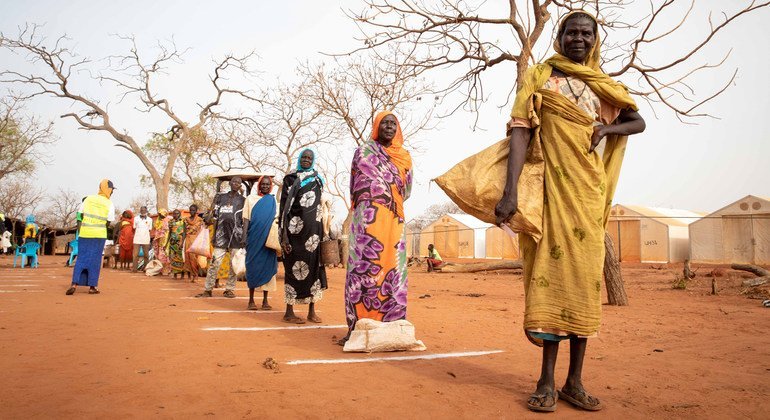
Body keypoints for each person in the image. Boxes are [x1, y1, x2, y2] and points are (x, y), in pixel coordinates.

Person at [494, 12, 646, 412]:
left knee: (582, 284)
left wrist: (607, 129)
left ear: (595, 39)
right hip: (551, 196)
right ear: (559, 37)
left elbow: (638, 120)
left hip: (588, 198)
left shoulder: (605, 86)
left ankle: (574, 382)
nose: (578, 39)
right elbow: (521, 129)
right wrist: (510, 193)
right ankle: (546, 380)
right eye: (571, 32)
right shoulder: (541, 77)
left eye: (586, 33)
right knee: (550, 278)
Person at [342, 111, 412, 343]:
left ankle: (391, 327)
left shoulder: (404, 157)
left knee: (393, 269)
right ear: (376, 127)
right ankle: (356, 328)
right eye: (385, 123)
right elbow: (354, 186)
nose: (390, 127)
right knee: (364, 270)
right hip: (367, 223)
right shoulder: (362, 153)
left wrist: (388, 199)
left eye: (393, 124)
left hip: (393, 221)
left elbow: (407, 189)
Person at [279, 149, 327, 323]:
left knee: (314, 270)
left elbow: (321, 207)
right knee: (292, 270)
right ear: (299, 159)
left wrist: (324, 231)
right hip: (293, 233)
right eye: (304, 157)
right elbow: (284, 209)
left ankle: (311, 311)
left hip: (313, 234)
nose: (306, 160)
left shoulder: (318, 180)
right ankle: (289, 312)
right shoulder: (290, 179)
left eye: (310, 158)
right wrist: (284, 235)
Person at [196, 176, 246, 298]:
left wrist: (244, 237)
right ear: (230, 183)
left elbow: (245, 218)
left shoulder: (243, 200)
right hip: (221, 235)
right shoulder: (220, 197)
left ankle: (229, 289)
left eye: (238, 183)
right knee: (214, 263)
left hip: (236, 235)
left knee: (233, 265)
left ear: (240, 186)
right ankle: (208, 289)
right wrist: (211, 208)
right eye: (234, 182)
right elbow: (212, 216)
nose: (236, 184)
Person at [66, 179, 116, 295]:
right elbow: (108, 222)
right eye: (112, 190)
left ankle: (74, 284)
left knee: (81, 259)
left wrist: (81, 230)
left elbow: (79, 216)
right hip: (99, 235)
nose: (112, 192)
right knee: (95, 261)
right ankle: (92, 287)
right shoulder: (109, 203)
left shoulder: (88, 199)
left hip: (85, 233)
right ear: (107, 189)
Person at [243, 176, 278, 310]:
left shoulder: (273, 200)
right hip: (253, 238)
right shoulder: (250, 199)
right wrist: (244, 236)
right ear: (258, 185)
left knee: (268, 268)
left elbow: (275, 219)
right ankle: (251, 300)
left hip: (268, 240)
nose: (265, 186)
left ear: (271, 186)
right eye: (262, 184)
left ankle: (265, 300)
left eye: (267, 185)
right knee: (252, 267)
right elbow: (246, 218)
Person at [184, 204, 204, 282]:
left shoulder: (199, 220)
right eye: (190, 210)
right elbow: (184, 231)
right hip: (188, 239)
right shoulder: (186, 220)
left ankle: (196, 275)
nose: (191, 211)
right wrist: (182, 241)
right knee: (188, 258)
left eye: (193, 210)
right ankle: (192, 275)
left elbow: (201, 230)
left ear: (196, 211)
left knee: (194, 258)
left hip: (196, 240)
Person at [132, 206, 152, 272]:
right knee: (135, 255)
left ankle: (146, 269)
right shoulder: (136, 218)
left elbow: (150, 229)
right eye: (142, 210)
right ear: (140, 211)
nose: (143, 211)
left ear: (146, 211)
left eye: (144, 210)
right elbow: (134, 227)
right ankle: (135, 269)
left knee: (146, 255)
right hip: (137, 239)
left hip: (146, 239)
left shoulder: (150, 220)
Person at [167, 209, 186, 278]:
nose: (175, 215)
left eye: (177, 213)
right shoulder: (170, 222)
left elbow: (184, 233)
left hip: (180, 242)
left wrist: (183, 242)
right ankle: (175, 274)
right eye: (174, 214)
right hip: (172, 243)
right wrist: (166, 243)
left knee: (181, 258)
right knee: (173, 258)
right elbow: (169, 233)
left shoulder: (183, 221)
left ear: (180, 214)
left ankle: (182, 274)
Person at [152, 208, 171, 275]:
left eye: (161, 214)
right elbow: (156, 229)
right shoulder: (158, 221)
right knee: (160, 255)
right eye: (159, 214)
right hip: (160, 240)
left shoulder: (169, 219)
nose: (159, 216)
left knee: (167, 254)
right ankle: (161, 270)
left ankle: (168, 270)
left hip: (167, 239)